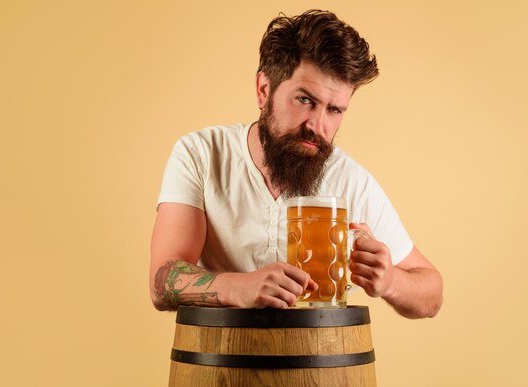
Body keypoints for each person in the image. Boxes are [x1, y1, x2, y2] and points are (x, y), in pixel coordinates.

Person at [149, 9, 443, 318]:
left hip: (326, 363)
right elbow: (161, 281)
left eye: (335, 110)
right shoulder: (200, 154)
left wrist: (390, 279)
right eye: (305, 100)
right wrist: (238, 287)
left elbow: (431, 292)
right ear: (264, 90)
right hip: (218, 360)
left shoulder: (351, 181)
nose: (317, 125)